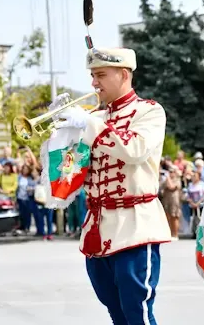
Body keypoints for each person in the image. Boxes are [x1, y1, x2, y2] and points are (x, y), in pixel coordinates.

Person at [52, 44, 171, 324]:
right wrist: (63, 136)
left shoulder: (149, 112)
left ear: (124, 74)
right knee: (115, 312)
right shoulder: (95, 118)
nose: (94, 83)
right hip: (97, 228)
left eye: (101, 75)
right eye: (93, 75)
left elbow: (134, 150)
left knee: (137, 312)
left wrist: (88, 124)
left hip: (135, 226)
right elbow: (70, 173)